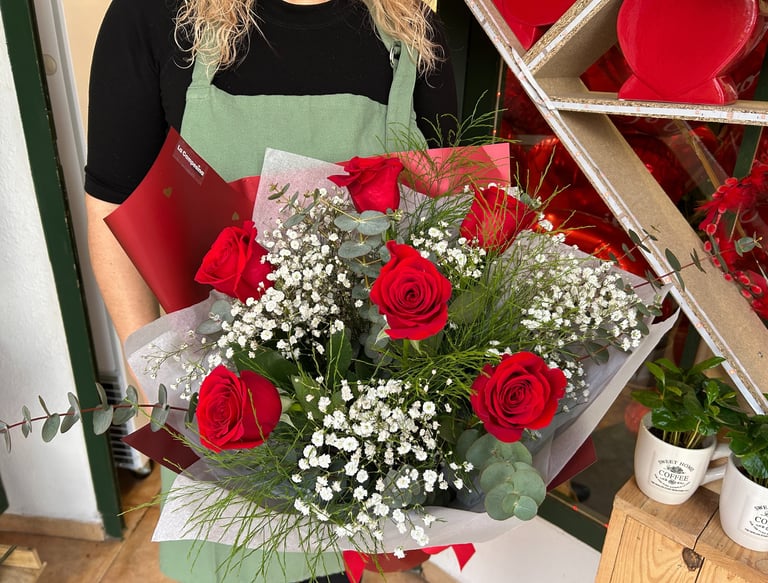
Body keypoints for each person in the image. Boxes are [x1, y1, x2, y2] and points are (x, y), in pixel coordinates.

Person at [84, 0, 458, 581]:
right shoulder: (154, 15)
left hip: (362, 422)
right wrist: (155, 377)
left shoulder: (412, 30)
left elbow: (439, 220)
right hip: (216, 403)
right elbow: (113, 204)